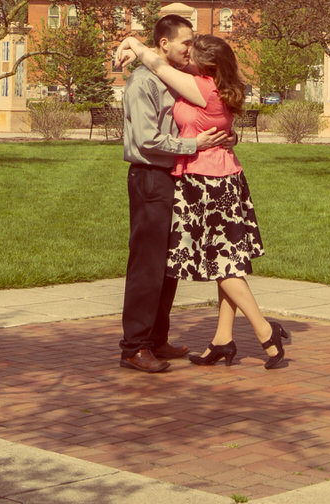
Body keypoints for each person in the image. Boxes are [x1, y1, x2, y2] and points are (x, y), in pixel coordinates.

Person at [115, 32, 290, 369]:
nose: (186, 54)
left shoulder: (202, 87)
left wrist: (133, 43)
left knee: (223, 264)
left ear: (205, 64)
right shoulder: (218, 86)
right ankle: (222, 339)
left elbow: (157, 65)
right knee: (225, 262)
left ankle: (266, 332)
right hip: (220, 179)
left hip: (208, 183)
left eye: (191, 50)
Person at [117, 14, 229, 373]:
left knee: (168, 264)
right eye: (186, 43)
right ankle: (134, 347)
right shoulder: (142, 82)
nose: (190, 49)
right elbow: (146, 140)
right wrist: (193, 145)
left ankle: (156, 339)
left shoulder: (177, 78)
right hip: (150, 176)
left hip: (174, 176)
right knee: (147, 264)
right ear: (164, 44)